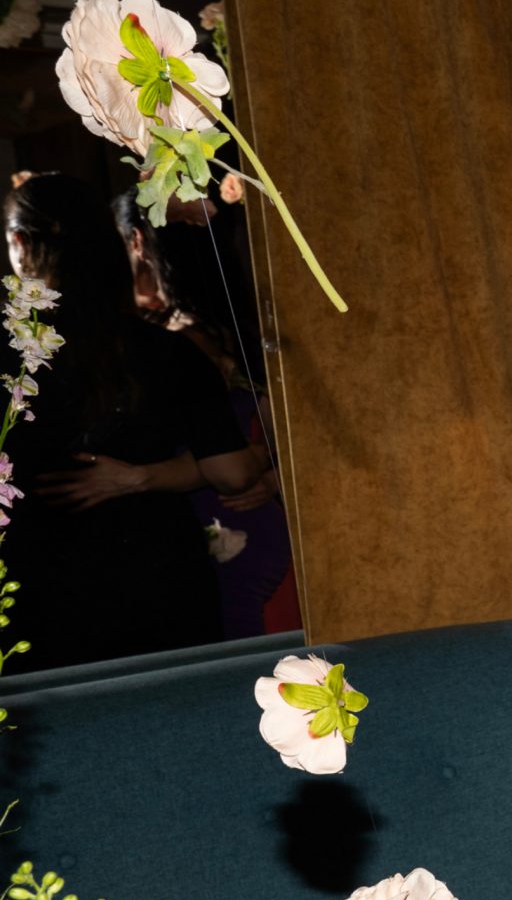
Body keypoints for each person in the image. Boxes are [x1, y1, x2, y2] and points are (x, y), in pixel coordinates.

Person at [2, 173, 263, 672]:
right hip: (159, 582)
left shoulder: (11, 352)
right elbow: (233, 474)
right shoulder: (168, 349)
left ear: (19, 242)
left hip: (38, 590)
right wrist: (142, 477)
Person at [112, 188, 293, 641]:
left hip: (220, 521)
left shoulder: (171, 342)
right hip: (257, 520)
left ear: (136, 242)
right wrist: (272, 471)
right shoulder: (228, 328)